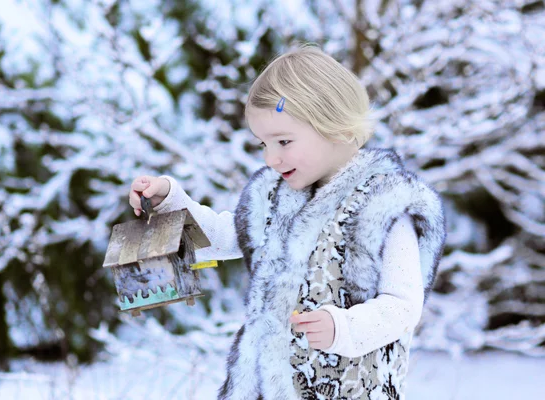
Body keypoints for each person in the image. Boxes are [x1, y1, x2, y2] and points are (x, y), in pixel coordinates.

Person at [128, 45, 446, 400]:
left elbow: (403, 306)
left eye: (283, 141)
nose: (271, 158)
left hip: (349, 388)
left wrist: (344, 327)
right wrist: (171, 201)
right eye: (263, 143)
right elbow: (220, 238)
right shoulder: (274, 201)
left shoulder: (383, 208)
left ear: (335, 126)